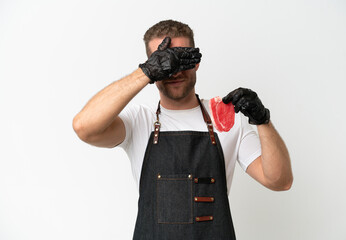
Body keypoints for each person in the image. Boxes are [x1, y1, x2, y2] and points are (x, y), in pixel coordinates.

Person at [73, 19, 293, 240]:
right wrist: (145, 72)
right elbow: (84, 127)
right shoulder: (139, 120)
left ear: (196, 61)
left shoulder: (224, 118)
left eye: (181, 59)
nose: (174, 71)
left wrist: (263, 120)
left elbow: (280, 181)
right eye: (165, 62)